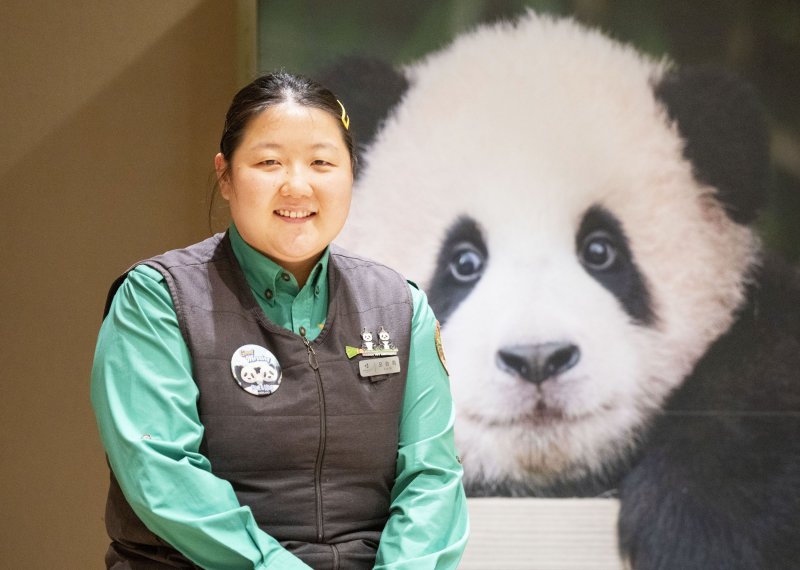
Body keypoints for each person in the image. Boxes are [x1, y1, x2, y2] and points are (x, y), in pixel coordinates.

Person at [90, 72, 469, 569]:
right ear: (225, 175)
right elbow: (160, 472)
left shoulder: (400, 305)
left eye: (321, 162)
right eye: (269, 162)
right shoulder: (158, 298)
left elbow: (432, 477)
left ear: (352, 171)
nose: (297, 184)